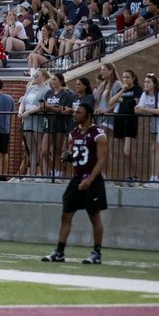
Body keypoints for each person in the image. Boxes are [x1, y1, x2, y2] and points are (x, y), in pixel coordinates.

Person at [43, 103, 107, 265]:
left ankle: (96, 252)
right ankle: (59, 251)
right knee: (66, 214)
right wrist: (69, 156)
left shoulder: (98, 134)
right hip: (77, 178)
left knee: (94, 217)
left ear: (88, 115)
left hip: (92, 179)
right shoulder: (74, 133)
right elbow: (74, 153)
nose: (75, 114)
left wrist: (90, 179)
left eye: (79, 112)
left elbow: (101, 161)